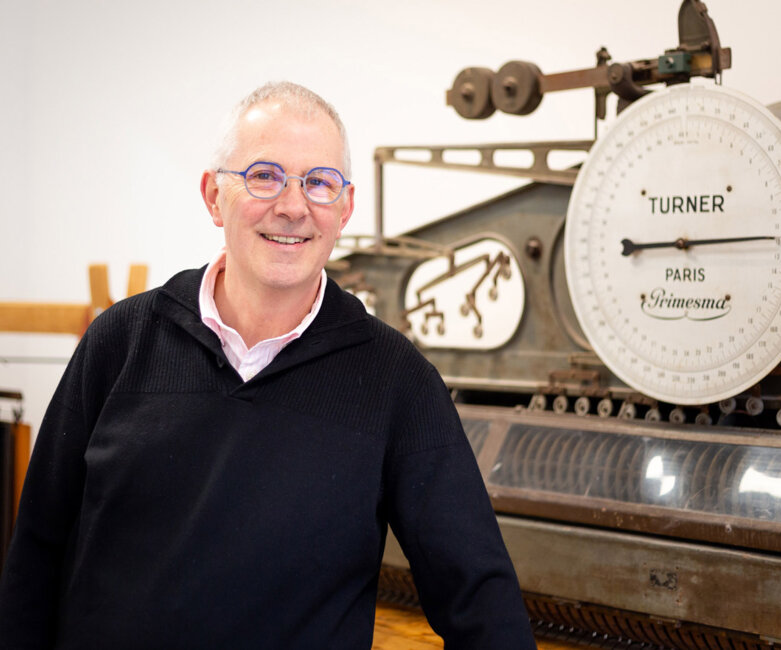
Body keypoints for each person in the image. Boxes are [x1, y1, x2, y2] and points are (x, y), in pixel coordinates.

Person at [0, 81, 536, 649]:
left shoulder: (396, 381)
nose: (293, 205)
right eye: (264, 175)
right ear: (213, 196)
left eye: (320, 183)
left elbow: (482, 602)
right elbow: (35, 553)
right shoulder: (120, 342)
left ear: (345, 208)